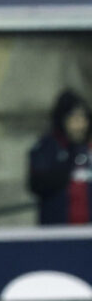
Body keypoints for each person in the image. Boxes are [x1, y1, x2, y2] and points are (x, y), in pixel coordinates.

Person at [29, 90, 92, 224]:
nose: (80, 125)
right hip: (58, 232)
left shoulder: (88, 149)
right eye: (74, 118)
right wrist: (69, 160)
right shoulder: (47, 148)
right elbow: (37, 185)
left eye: (83, 118)